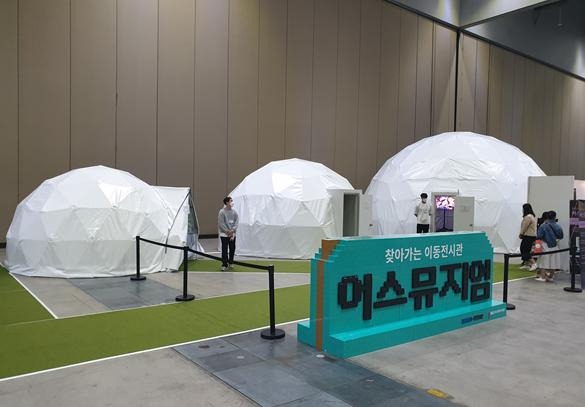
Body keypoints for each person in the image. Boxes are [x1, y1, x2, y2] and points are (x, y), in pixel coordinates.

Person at [535, 211, 563, 282]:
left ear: (547, 216)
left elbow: (539, 236)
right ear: (555, 217)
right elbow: (561, 236)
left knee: (543, 261)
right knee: (553, 261)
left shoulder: (543, 225)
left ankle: (543, 277)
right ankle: (551, 276)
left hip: (545, 245)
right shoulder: (558, 225)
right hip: (555, 245)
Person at [218, 196, 239, 271]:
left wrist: (232, 231)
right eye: (231, 201)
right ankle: (224, 264)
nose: (232, 202)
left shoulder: (234, 212)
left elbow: (236, 221)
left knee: (232, 248)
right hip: (224, 234)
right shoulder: (222, 212)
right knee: (224, 249)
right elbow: (221, 223)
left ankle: (231, 262)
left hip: (232, 234)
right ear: (227, 202)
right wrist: (227, 231)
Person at [519, 203, 537, 271]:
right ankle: (527, 264)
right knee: (525, 249)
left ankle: (534, 263)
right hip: (530, 236)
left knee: (524, 250)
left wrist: (521, 234)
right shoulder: (531, 216)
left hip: (528, 236)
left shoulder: (528, 217)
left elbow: (524, 226)